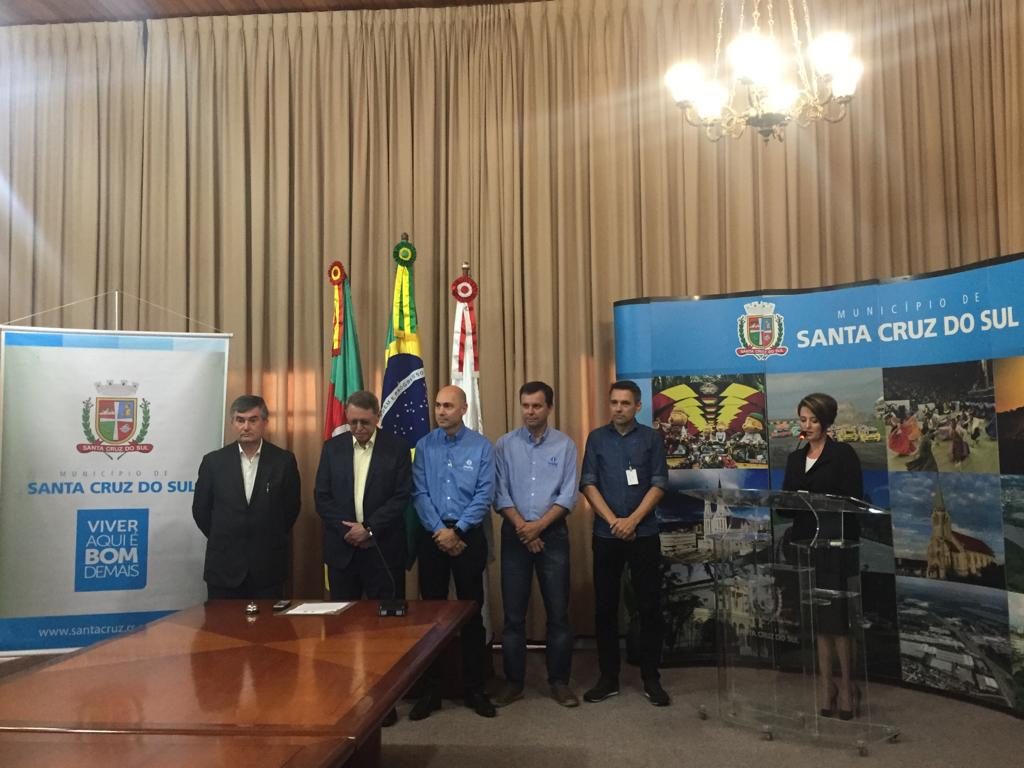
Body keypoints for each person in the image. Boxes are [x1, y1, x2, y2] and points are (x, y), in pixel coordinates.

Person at [579, 380, 670, 707]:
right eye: (614, 402)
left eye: (625, 403)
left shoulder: (651, 439)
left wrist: (632, 521)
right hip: (607, 535)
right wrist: (614, 521)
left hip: (643, 534)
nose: (619, 408)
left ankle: (651, 678)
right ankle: (608, 678)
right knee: (605, 609)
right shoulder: (597, 438)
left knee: (649, 608)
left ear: (638, 406)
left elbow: (659, 483)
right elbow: (587, 483)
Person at [408, 384, 497, 720]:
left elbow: (484, 493)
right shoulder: (423, 446)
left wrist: (457, 531)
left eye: (448, 406)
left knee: (471, 614)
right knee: (432, 617)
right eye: (438, 405)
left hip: (468, 536)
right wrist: (440, 532)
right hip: (433, 536)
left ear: (463, 409)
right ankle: (432, 691)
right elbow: (419, 493)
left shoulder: (482, 447)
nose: (441, 411)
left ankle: (475, 689)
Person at [492, 381, 579, 708]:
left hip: (553, 536)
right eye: (525, 406)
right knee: (513, 616)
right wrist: (523, 529)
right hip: (515, 535)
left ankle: (559, 682)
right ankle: (514, 683)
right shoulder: (503, 445)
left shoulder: (566, 446)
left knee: (558, 613)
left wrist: (538, 528)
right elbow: (499, 493)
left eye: (537, 406)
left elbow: (568, 495)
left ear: (549, 408)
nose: (530, 412)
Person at [780, 393, 863, 721]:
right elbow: (786, 507)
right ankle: (826, 685)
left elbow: (853, 500)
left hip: (836, 545)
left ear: (826, 422)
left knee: (838, 621)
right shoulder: (794, 459)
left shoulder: (844, 454)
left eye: (814, 420)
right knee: (818, 621)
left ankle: (847, 686)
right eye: (803, 420)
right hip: (805, 544)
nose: (808, 426)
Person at [192, 395, 301, 600]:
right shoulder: (213, 462)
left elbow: (290, 509)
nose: (246, 426)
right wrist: (226, 534)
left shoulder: (283, 461)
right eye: (240, 420)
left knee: (267, 631)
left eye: (253, 420)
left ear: (265, 422)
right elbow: (201, 511)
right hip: (224, 568)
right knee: (221, 631)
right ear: (233, 423)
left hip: (268, 568)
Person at [314, 390, 411, 602]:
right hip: (343, 549)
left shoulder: (397, 448)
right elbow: (322, 497)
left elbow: (401, 496)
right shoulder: (332, 448)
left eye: (365, 422)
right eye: (353, 422)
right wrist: (347, 530)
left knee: (388, 623)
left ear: (377, 417)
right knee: (342, 623)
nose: (358, 428)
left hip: (383, 549)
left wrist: (368, 528)